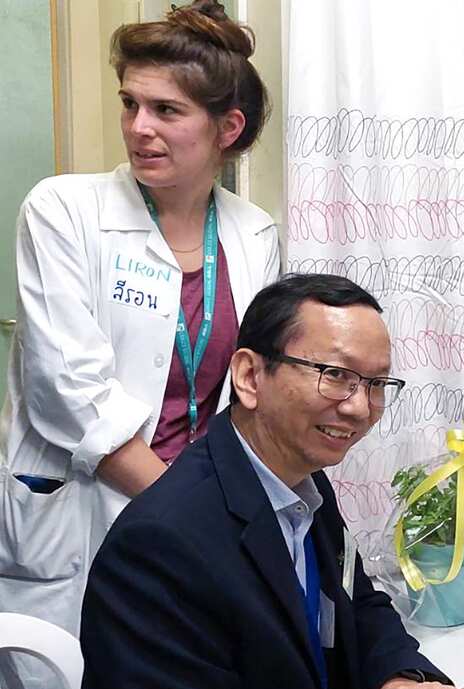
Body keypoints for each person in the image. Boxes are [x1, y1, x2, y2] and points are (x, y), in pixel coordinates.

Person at [79, 274, 464, 689]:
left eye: (376, 384)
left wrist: (405, 682)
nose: (360, 407)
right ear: (249, 376)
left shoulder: (302, 482)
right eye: (335, 375)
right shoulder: (157, 548)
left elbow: (357, 606)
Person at [0, 0, 279, 639]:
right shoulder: (63, 210)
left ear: (228, 127)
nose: (138, 128)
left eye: (166, 110)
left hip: (198, 514)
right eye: (130, 104)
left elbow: (251, 388)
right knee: (73, 680)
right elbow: (68, 392)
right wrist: (189, 513)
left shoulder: (253, 233)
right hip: (84, 518)